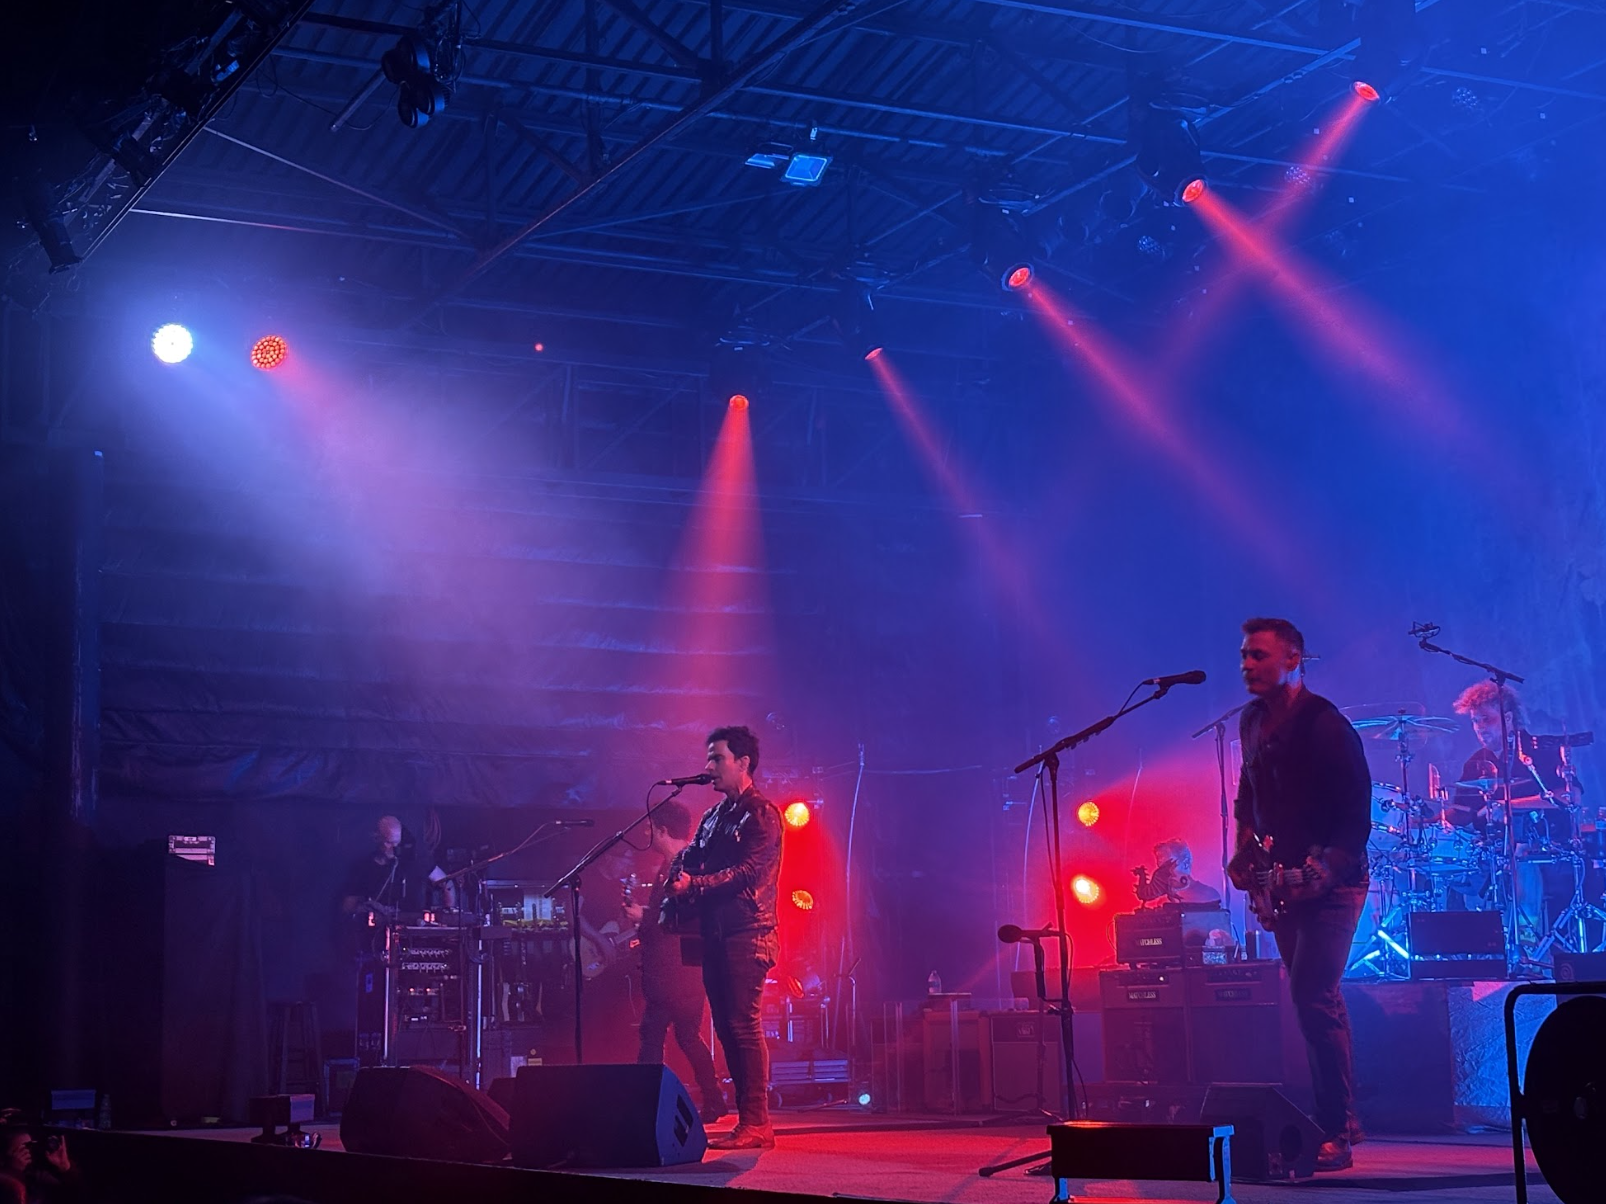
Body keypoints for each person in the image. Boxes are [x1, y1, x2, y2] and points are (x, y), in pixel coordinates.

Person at [1226, 617, 1371, 1172]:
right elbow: (1247, 795)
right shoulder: (1250, 720)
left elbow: (1356, 813)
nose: (1247, 665)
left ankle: (1334, 1130)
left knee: (1311, 994)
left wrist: (1325, 871)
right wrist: (1244, 850)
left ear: (1293, 659)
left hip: (1335, 885)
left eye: (1259, 655)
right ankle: (1346, 1119)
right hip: (1280, 884)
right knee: (1318, 999)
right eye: (1244, 655)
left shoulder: (1326, 724)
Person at [665, 725, 783, 1151]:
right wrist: (677, 872)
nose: (708, 766)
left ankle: (757, 1122)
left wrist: (693, 886)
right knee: (728, 1028)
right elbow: (691, 854)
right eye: (709, 758)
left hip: (748, 932)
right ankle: (749, 1121)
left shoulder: (762, 814)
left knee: (742, 1025)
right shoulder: (715, 816)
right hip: (716, 934)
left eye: (717, 758)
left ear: (743, 762)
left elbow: (747, 873)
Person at [623, 799, 728, 1122]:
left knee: (653, 1033)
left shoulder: (686, 865)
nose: (646, 834)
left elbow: (685, 917)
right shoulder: (675, 864)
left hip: (677, 970)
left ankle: (647, 1104)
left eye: (650, 828)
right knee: (686, 1036)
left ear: (663, 830)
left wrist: (644, 916)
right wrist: (646, 916)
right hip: (681, 969)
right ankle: (713, 1098)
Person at [1450, 681, 1576, 948]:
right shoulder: (1475, 763)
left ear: (1507, 719)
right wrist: (1420, 820)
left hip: (1542, 849)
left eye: (1486, 719)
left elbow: (1570, 796)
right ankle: (1480, 949)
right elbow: (1462, 813)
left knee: (1521, 862)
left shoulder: (1539, 751)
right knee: (1453, 867)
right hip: (1492, 852)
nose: (1480, 727)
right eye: (1474, 721)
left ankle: (1528, 947)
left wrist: (1510, 805)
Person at [1136, 839, 1223, 907]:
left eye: (1166, 865)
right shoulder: (1164, 901)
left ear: (1185, 863)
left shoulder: (1209, 895)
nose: (1159, 865)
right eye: (1159, 862)